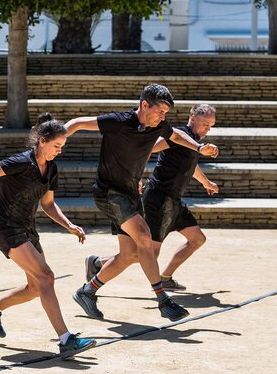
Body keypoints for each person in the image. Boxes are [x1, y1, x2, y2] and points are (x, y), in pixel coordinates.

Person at [64, 84, 219, 322]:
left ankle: (87, 292)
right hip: (110, 192)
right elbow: (77, 123)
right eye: (160, 111)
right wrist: (56, 141)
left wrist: (199, 148)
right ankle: (163, 300)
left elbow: (175, 136)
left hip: (130, 194)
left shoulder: (160, 126)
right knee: (145, 238)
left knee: (130, 255)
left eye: (166, 113)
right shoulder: (119, 121)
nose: (163, 117)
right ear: (145, 105)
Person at [0, 113, 97, 356]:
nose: (60, 151)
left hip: (27, 227)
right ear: (42, 141)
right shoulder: (21, 161)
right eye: (56, 146)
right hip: (5, 226)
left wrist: (68, 225)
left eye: (62, 146)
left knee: (35, 287)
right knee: (46, 277)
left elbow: (48, 205)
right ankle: (66, 339)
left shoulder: (51, 169)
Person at [85, 104, 219, 291]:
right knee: (145, 255)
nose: (207, 129)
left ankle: (165, 278)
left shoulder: (193, 142)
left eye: (210, 126)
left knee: (197, 239)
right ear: (193, 118)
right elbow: (148, 148)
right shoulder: (178, 135)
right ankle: (97, 263)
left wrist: (206, 183)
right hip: (159, 199)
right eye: (205, 124)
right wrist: (136, 175)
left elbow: (191, 164)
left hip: (174, 202)